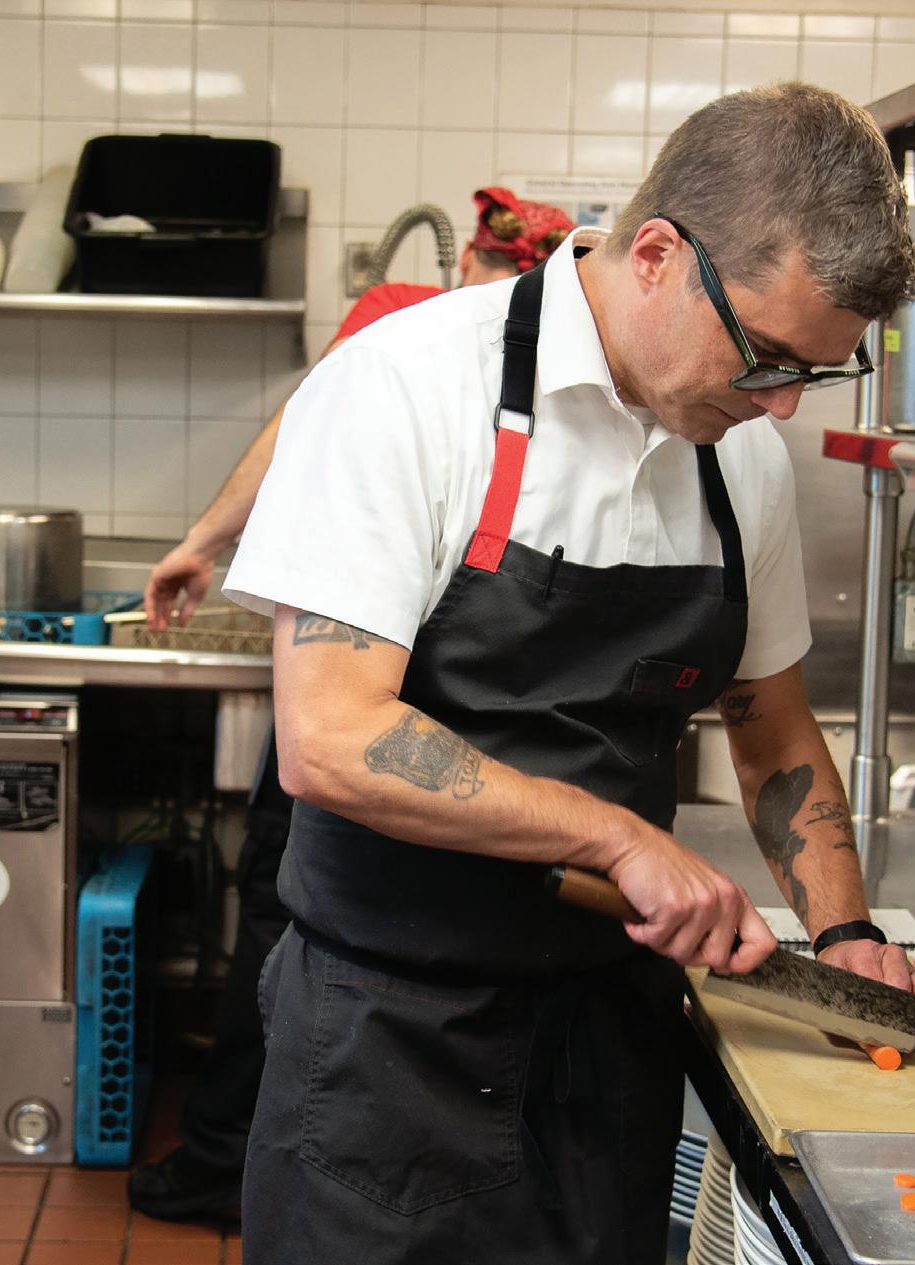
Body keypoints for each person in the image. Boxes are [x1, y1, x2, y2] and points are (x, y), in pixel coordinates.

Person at [217, 83, 915, 1261]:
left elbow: (771, 724)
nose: (778, 404)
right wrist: (617, 837)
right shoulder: (407, 386)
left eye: (814, 372)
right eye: (764, 356)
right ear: (655, 255)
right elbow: (331, 736)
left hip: (610, 1037)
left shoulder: (735, 456)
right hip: (389, 1041)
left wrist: (842, 925)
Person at [124, 187, 574, 1225]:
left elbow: (301, 425)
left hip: (362, 697)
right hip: (482, 725)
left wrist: (202, 541)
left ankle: (227, 1158)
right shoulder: (564, 351)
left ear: (471, 258)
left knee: (281, 912)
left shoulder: (405, 315)